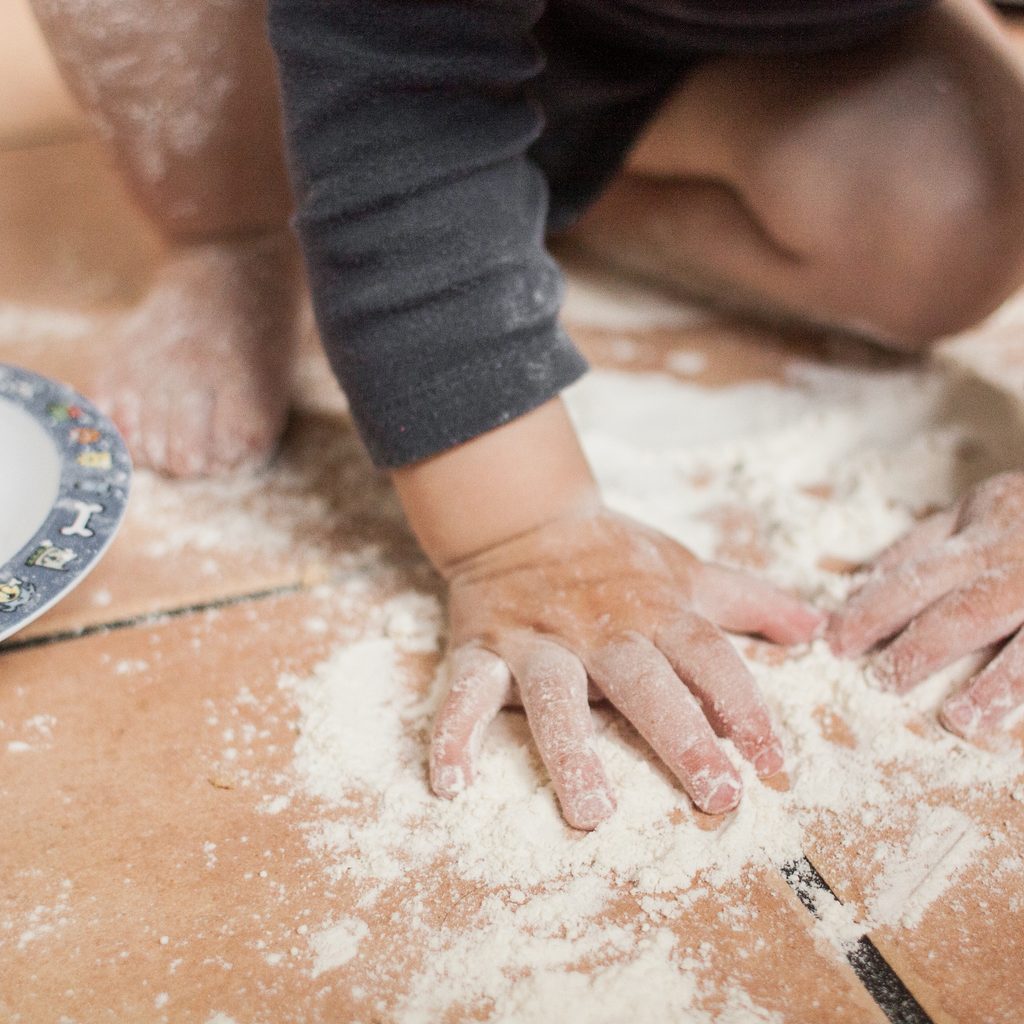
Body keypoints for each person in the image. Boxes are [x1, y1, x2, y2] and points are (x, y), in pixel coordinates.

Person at [28, 0, 1024, 829]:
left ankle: (523, 174)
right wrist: (528, 534)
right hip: (344, 35)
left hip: (670, 45)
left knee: (951, 210)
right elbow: (398, 92)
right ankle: (239, 216)